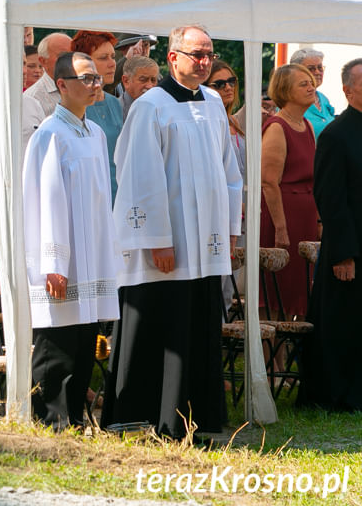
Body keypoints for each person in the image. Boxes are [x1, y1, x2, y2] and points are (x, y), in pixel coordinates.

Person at [102, 25, 243, 440]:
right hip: (168, 244)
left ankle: (198, 417)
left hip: (207, 243)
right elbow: (140, 176)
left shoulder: (215, 102)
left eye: (208, 54)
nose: (203, 62)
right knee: (164, 325)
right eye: (195, 53)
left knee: (199, 326)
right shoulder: (152, 106)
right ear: (173, 57)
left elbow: (228, 173)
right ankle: (151, 416)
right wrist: (157, 239)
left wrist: (229, 228)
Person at [23, 52, 120, 430]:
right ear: (62, 85)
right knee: (58, 338)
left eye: (97, 78)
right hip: (63, 255)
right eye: (86, 79)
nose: (95, 85)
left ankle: (75, 416)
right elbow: (47, 199)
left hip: (90, 252)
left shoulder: (93, 132)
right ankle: (51, 418)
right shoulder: (50, 133)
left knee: (83, 338)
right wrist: (53, 262)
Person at [300, 58, 362, 412]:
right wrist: (342, 253)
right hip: (349, 248)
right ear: (347, 91)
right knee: (344, 327)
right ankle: (338, 394)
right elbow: (330, 197)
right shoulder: (336, 135)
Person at [260, 63, 319, 320]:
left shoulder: (306, 126)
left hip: (304, 215)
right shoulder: (277, 127)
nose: (311, 86)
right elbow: (269, 181)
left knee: (298, 287)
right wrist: (281, 227)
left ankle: (285, 356)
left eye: (311, 82)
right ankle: (272, 359)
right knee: (277, 289)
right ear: (285, 90)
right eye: (303, 83)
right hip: (282, 215)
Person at [207, 60, 246, 308]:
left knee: (229, 284)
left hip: (239, 209)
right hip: (218, 208)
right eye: (219, 84)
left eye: (231, 81)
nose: (228, 88)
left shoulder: (235, 122)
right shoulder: (207, 122)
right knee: (217, 278)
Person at [71, 31, 124, 202]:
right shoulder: (74, 107)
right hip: (91, 197)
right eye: (103, 58)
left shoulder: (115, 103)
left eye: (113, 56)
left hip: (120, 194)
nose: (112, 64)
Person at [290, 49, 334, 140]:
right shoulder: (290, 100)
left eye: (320, 67)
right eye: (311, 69)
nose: (318, 72)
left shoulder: (323, 98)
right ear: (296, 71)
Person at [25, 32, 72, 117]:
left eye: (72, 54)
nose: (70, 60)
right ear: (43, 61)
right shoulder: (33, 98)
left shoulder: (82, 87)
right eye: (62, 55)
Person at [118, 55, 159, 120]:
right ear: (126, 81)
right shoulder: (115, 111)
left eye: (153, 80)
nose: (150, 86)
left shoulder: (161, 108)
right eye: (143, 80)